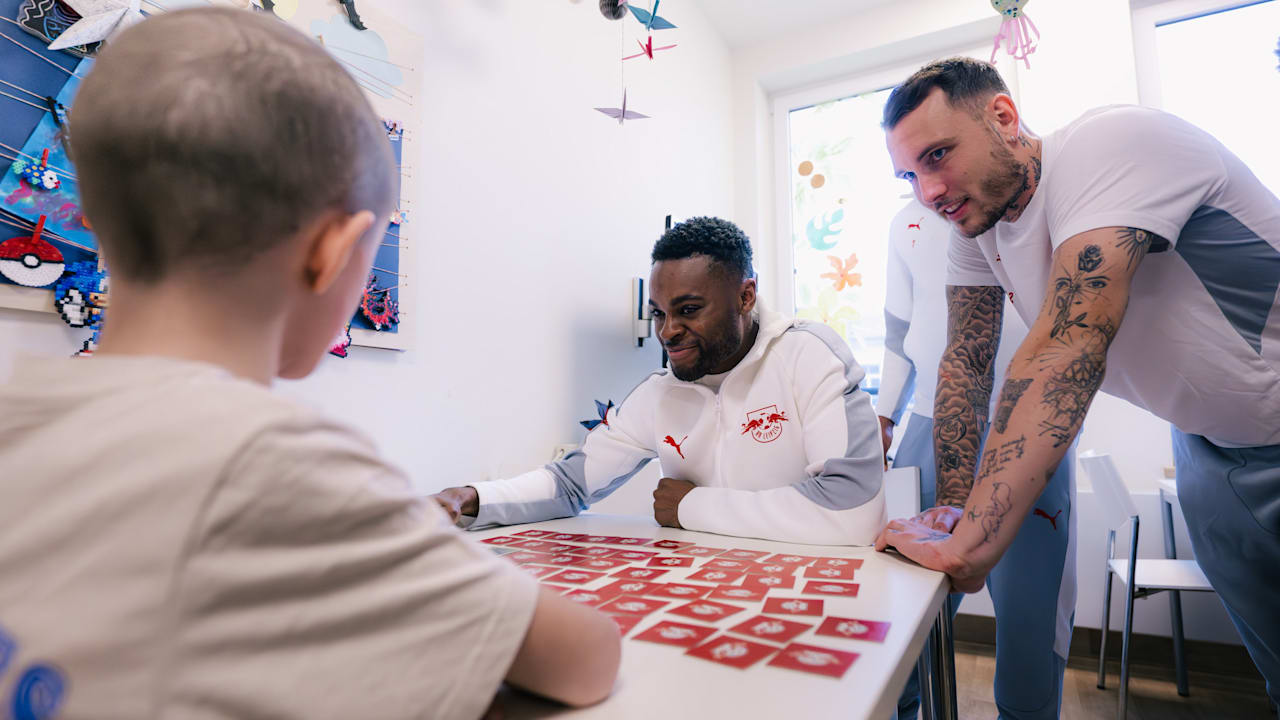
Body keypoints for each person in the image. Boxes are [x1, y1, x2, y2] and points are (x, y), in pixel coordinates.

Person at [0, 9, 619, 718]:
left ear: (93, 218)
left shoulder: (20, 413)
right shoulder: (272, 460)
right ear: (332, 252)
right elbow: (583, 658)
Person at [876, 56, 1280, 712]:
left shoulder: (1108, 145)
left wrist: (969, 545)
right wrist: (951, 509)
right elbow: (966, 364)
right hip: (1206, 445)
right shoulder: (976, 232)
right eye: (909, 175)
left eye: (938, 155)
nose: (928, 191)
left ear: (1003, 117)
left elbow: (1069, 344)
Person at [433, 217, 887, 545]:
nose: (667, 331)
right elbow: (570, 484)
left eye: (688, 310)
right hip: (708, 598)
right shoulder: (658, 392)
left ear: (746, 296)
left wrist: (690, 507)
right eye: (658, 313)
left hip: (812, 598)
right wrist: (469, 498)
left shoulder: (810, 356)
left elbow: (851, 510)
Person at [879, 198, 1077, 719]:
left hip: (1032, 426)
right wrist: (884, 415)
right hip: (929, 421)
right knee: (905, 605)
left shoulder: (1046, 206)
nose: (925, 182)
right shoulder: (905, 223)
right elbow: (898, 333)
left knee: (1031, 612)